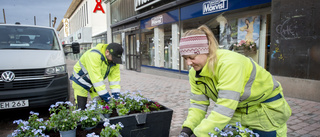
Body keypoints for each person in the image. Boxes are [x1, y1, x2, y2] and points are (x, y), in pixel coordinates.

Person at [178, 25, 291, 137]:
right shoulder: (194, 72)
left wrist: (199, 134)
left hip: (264, 110)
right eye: (185, 58)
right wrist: (187, 129)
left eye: (192, 57)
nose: (188, 63)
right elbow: (198, 104)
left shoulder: (230, 64)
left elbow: (225, 106)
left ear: (206, 51)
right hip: (237, 110)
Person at [70, 43, 123, 110]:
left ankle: (99, 119)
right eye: (113, 58)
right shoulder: (94, 55)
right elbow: (97, 80)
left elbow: (115, 80)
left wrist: (116, 97)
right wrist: (108, 99)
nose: (114, 61)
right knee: (81, 107)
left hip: (94, 83)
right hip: (81, 81)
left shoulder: (114, 61)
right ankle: (78, 119)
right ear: (107, 52)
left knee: (101, 106)